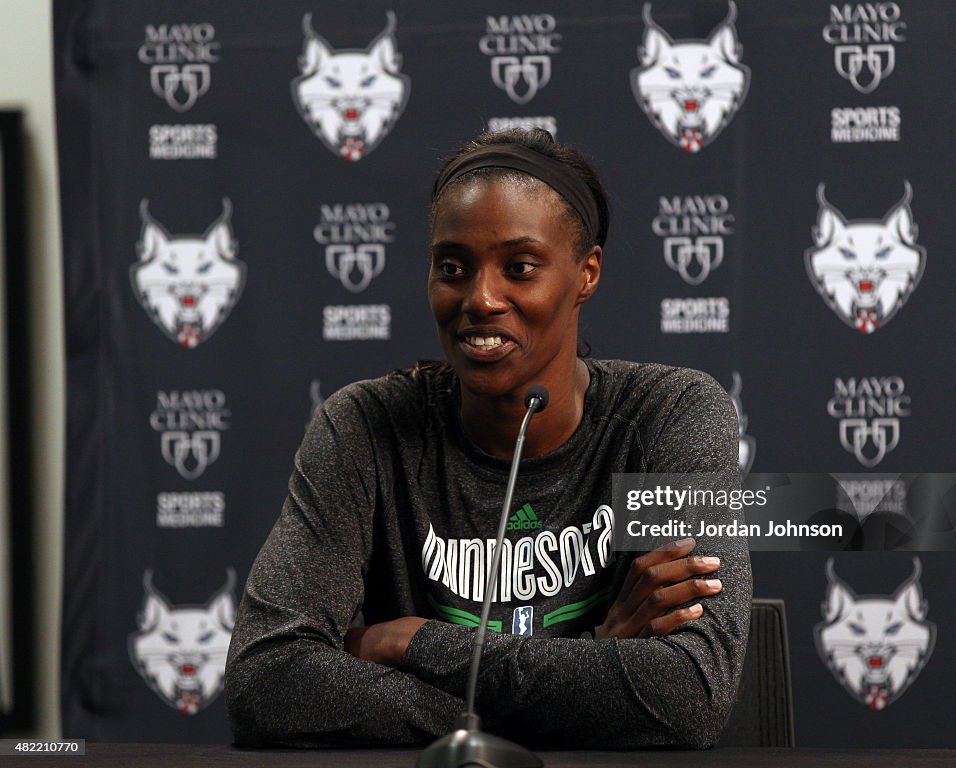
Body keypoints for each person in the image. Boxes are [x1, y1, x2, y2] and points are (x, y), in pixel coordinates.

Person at [225, 128, 752, 749]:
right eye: (453, 267)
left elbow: (687, 693)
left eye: (520, 268)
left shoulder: (671, 417)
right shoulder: (365, 428)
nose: (480, 298)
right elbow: (266, 678)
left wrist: (413, 642)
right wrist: (588, 671)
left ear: (587, 273)